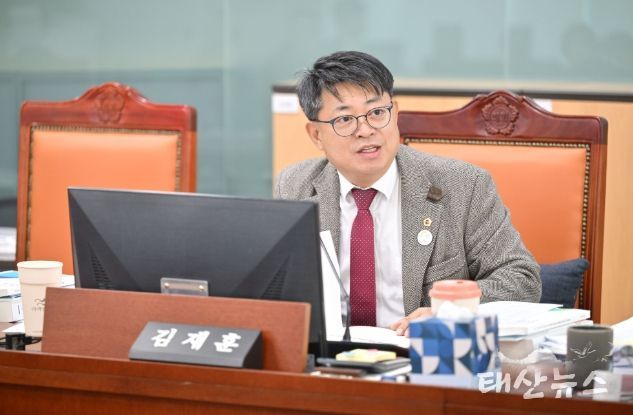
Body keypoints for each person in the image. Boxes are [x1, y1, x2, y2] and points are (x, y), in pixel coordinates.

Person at [275, 51, 541, 335]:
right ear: (316, 135)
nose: (365, 130)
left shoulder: (464, 186)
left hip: (423, 351)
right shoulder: (294, 186)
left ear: (395, 114)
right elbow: (276, 287)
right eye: (345, 119)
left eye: (377, 113)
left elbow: (521, 278)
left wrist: (449, 310)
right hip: (330, 354)